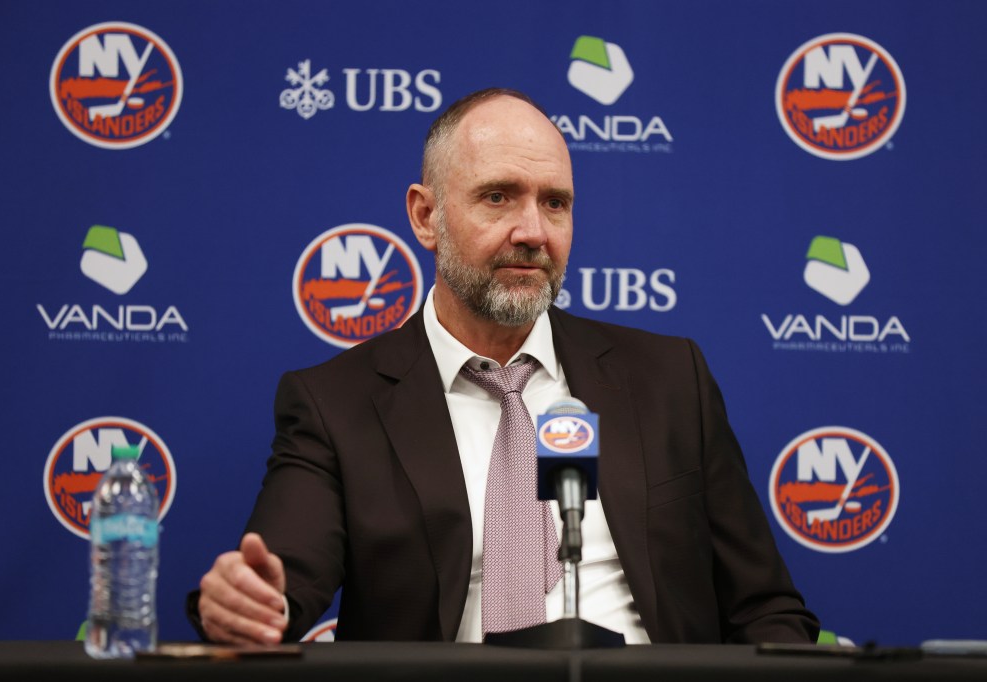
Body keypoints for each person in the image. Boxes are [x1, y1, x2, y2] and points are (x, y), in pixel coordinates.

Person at [188, 88, 819, 645]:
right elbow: (277, 586)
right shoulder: (335, 403)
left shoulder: (668, 378)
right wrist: (243, 604)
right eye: (498, 197)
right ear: (425, 216)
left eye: (555, 204)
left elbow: (765, 608)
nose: (533, 231)